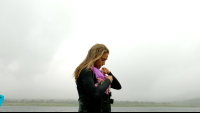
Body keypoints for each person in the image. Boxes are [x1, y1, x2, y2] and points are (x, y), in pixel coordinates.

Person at [73, 43, 122, 112]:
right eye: (102, 59)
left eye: (105, 60)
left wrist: (109, 73)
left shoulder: (98, 75)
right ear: (94, 57)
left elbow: (118, 86)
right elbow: (95, 93)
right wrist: (108, 81)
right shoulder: (85, 71)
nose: (104, 63)